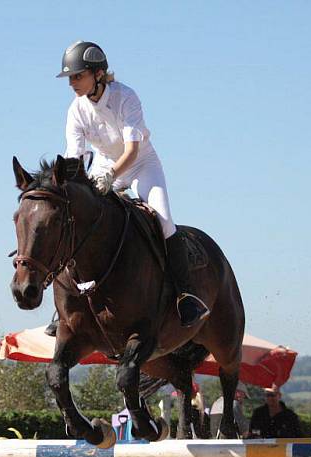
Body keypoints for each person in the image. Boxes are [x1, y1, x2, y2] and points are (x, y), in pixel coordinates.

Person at [55, 40, 209, 328]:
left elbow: (132, 150)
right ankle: (67, 304)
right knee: (79, 219)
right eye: (70, 77)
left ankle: (186, 297)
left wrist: (111, 176)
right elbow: (74, 156)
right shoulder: (76, 110)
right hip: (103, 165)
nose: (72, 83)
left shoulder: (126, 97)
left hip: (140, 164)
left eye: (77, 75)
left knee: (163, 220)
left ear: (97, 73)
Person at [249, 384, 307, 457]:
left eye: (273, 395)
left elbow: (300, 438)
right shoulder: (258, 414)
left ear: (279, 395)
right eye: (268, 395)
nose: (270, 398)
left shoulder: (290, 416)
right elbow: (252, 435)